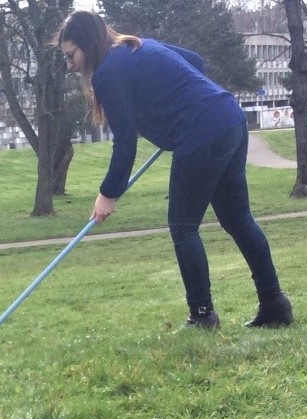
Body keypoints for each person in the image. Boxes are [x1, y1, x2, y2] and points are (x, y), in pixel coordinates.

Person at [55, 11, 293, 330]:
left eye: (71, 55)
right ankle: (275, 305)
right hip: (230, 119)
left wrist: (108, 194)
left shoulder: (108, 72)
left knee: (183, 225)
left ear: (86, 44)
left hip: (202, 133)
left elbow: (125, 142)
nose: (69, 64)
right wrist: (168, 103)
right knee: (238, 219)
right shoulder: (140, 46)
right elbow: (195, 61)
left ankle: (202, 314)